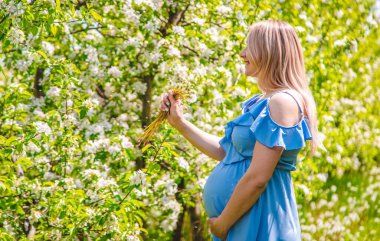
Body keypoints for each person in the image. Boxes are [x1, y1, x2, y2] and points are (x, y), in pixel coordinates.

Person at [160, 20, 319, 241]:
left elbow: (258, 178)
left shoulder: (282, 102)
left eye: (249, 46)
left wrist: (223, 224)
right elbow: (227, 152)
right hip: (242, 219)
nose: (242, 53)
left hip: (259, 219)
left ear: (268, 51)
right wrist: (180, 123)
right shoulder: (264, 101)